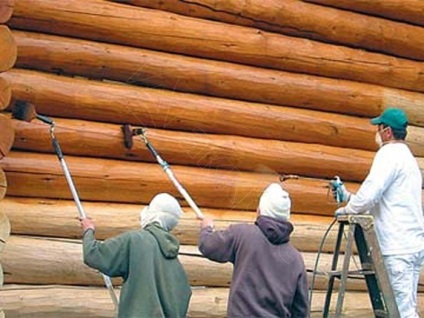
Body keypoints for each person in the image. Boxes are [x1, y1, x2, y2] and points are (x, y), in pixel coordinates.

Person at [333, 107, 424, 318]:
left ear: (388, 132)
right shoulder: (407, 157)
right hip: (412, 244)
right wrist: (347, 196)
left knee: (401, 311)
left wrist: (347, 210)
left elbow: (370, 195)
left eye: (380, 127)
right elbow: (383, 198)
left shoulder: (388, 154)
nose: (377, 132)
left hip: (397, 246)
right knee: (407, 307)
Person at [198, 182, 309, 318]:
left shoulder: (242, 235)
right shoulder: (295, 259)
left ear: (260, 210)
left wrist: (206, 227)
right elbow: (301, 311)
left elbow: (208, 245)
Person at [79, 193, 192, 318]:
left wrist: (88, 230)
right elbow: (184, 296)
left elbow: (93, 254)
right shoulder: (176, 264)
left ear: (152, 213)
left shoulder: (135, 240)